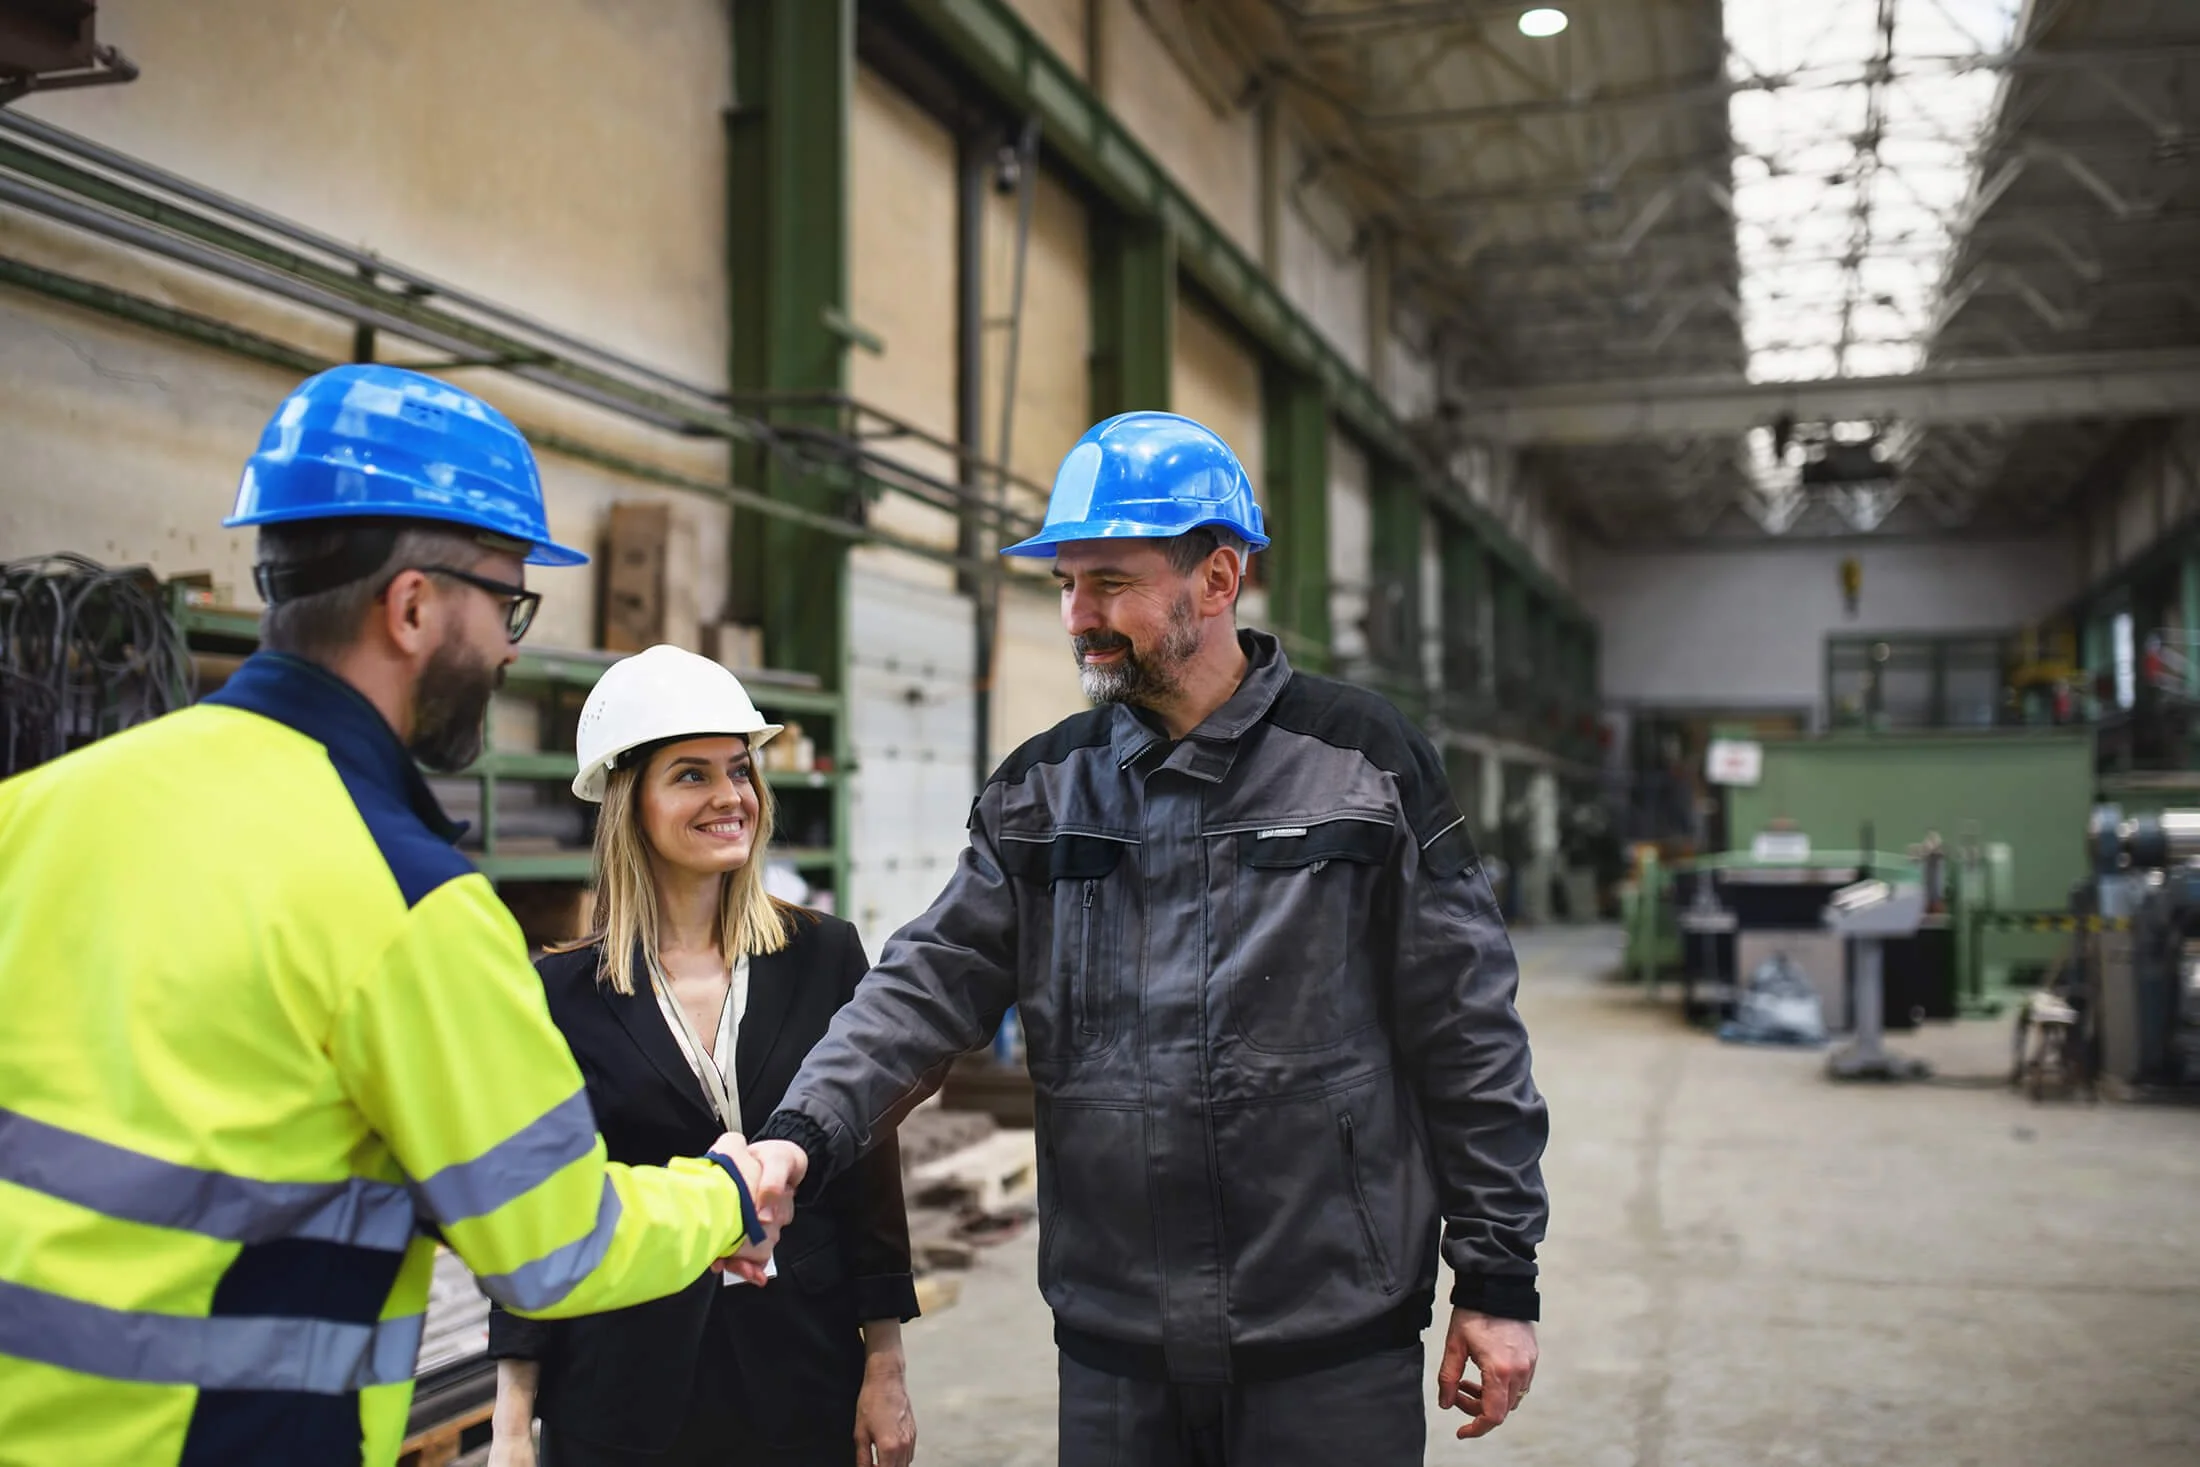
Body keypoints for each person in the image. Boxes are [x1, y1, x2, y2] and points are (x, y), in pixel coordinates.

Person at [0, 365, 779, 1467]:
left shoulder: (35, 812)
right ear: (413, 607)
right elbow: (553, 1243)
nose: (511, 647)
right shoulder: (404, 899)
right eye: (507, 603)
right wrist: (728, 1193)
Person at [748, 411, 1550, 1466]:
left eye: (1110, 582)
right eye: (1066, 585)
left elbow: (1466, 1032)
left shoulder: (1362, 761)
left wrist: (1495, 1281)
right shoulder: (1043, 788)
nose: (1079, 615)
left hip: (1326, 1340)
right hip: (1116, 1348)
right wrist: (797, 1134)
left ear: (1216, 581)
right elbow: (924, 988)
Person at [486, 645, 919, 1467]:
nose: (730, 797)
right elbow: (539, 1209)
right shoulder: (560, 994)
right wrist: (512, 1422)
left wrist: (885, 1363)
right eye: (691, 775)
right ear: (630, 801)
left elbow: (870, 1179)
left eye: (740, 770)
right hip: (619, 1392)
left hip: (802, 1378)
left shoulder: (825, 956)